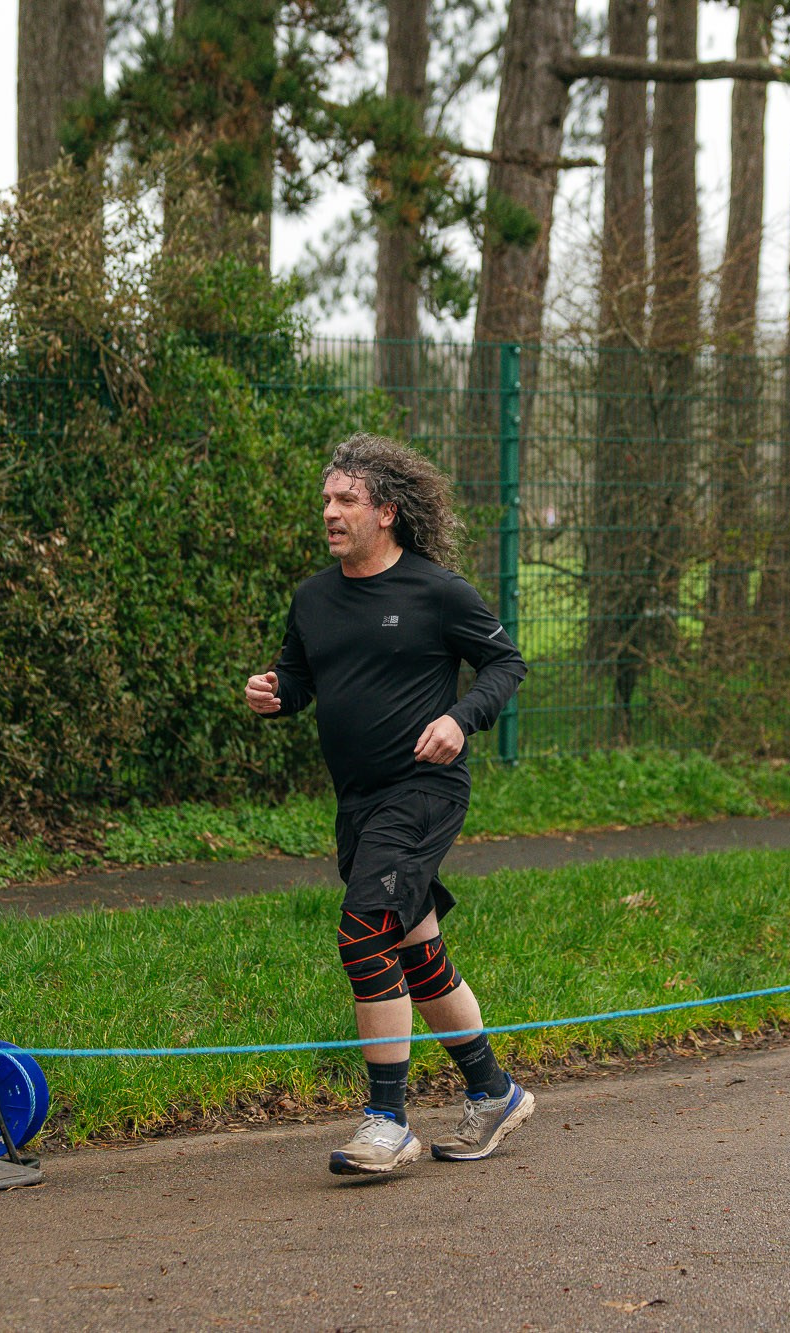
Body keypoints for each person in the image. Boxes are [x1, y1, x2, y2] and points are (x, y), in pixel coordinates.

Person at [245, 433, 533, 1176]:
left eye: (345, 500)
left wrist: (459, 718)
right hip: (359, 803)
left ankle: (386, 1120)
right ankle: (493, 1092)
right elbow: (300, 680)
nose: (330, 512)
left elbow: (506, 662)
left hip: (425, 791)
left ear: (388, 511)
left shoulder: (436, 591)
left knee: (361, 934)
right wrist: (274, 694)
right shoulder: (313, 598)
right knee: (415, 950)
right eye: (326, 500)